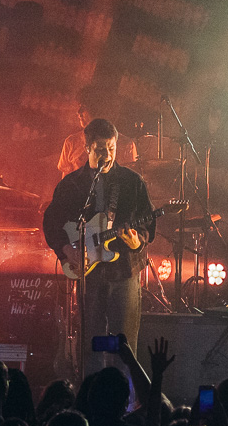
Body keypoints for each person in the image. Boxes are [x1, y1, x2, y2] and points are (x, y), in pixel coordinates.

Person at [43, 118, 155, 376]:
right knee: (90, 342)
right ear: (88, 149)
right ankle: (90, 396)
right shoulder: (71, 184)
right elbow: (51, 222)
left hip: (124, 272)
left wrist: (138, 241)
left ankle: (125, 403)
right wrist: (66, 250)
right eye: (102, 149)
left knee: (124, 344)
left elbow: (148, 222)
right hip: (88, 275)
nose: (108, 155)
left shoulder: (132, 182)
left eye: (112, 148)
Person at [57, 94, 138, 178]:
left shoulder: (126, 145)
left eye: (84, 107)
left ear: (98, 109)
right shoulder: (71, 142)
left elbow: (129, 182)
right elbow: (66, 181)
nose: (78, 112)